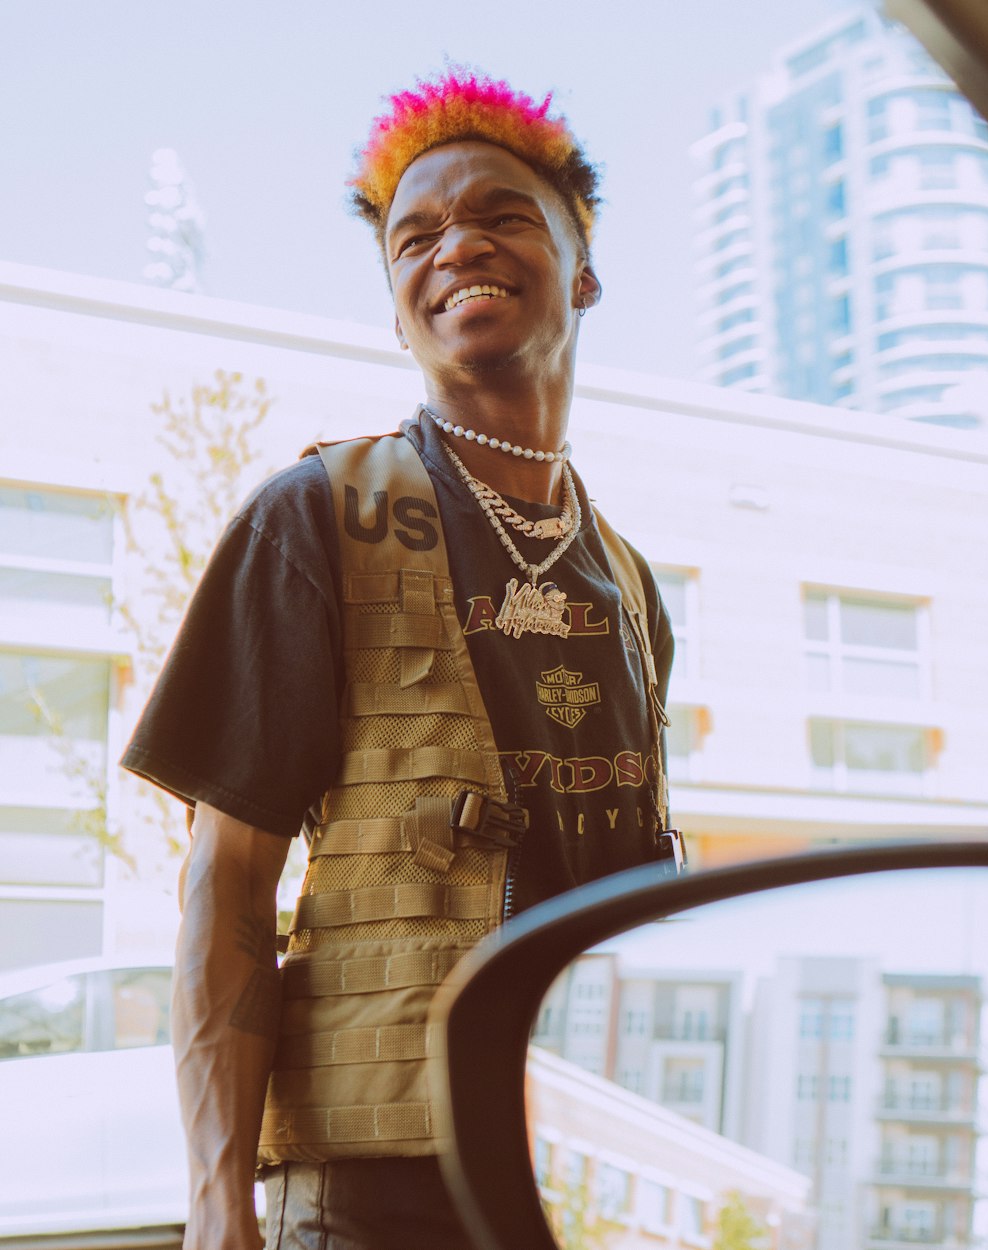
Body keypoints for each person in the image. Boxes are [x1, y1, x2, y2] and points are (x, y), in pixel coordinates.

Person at [122, 68, 680, 1250]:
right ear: (396, 308)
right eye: (414, 235)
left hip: (570, 1176)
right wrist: (220, 1211)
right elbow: (225, 887)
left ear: (582, 269)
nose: (455, 244)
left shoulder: (629, 585)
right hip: (375, 1188)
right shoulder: (314, 516)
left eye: (501, 214)